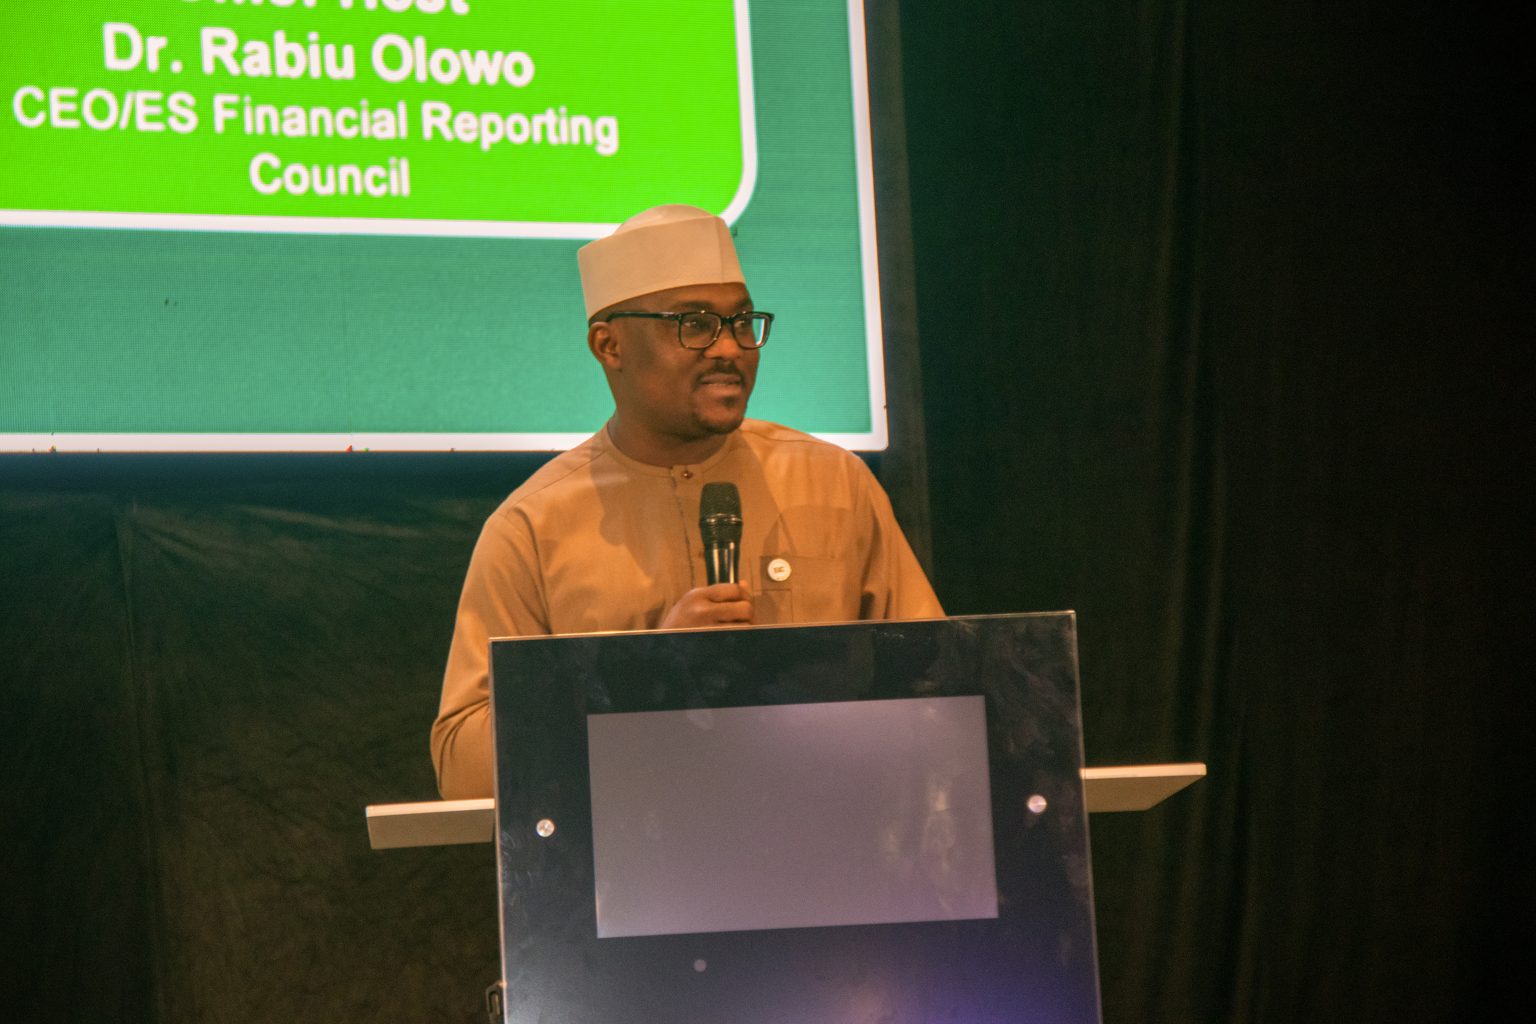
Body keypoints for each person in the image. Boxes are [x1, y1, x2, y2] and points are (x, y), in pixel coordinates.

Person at [431, 204, 943, 799]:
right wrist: (642, 673)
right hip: (633, 847)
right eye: (694, 324)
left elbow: (938, 681)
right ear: (609, 345)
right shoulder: (534, 526)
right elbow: (462, 767)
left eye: (741, 322)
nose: (729, 348)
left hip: (828, 824)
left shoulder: (834, 484)